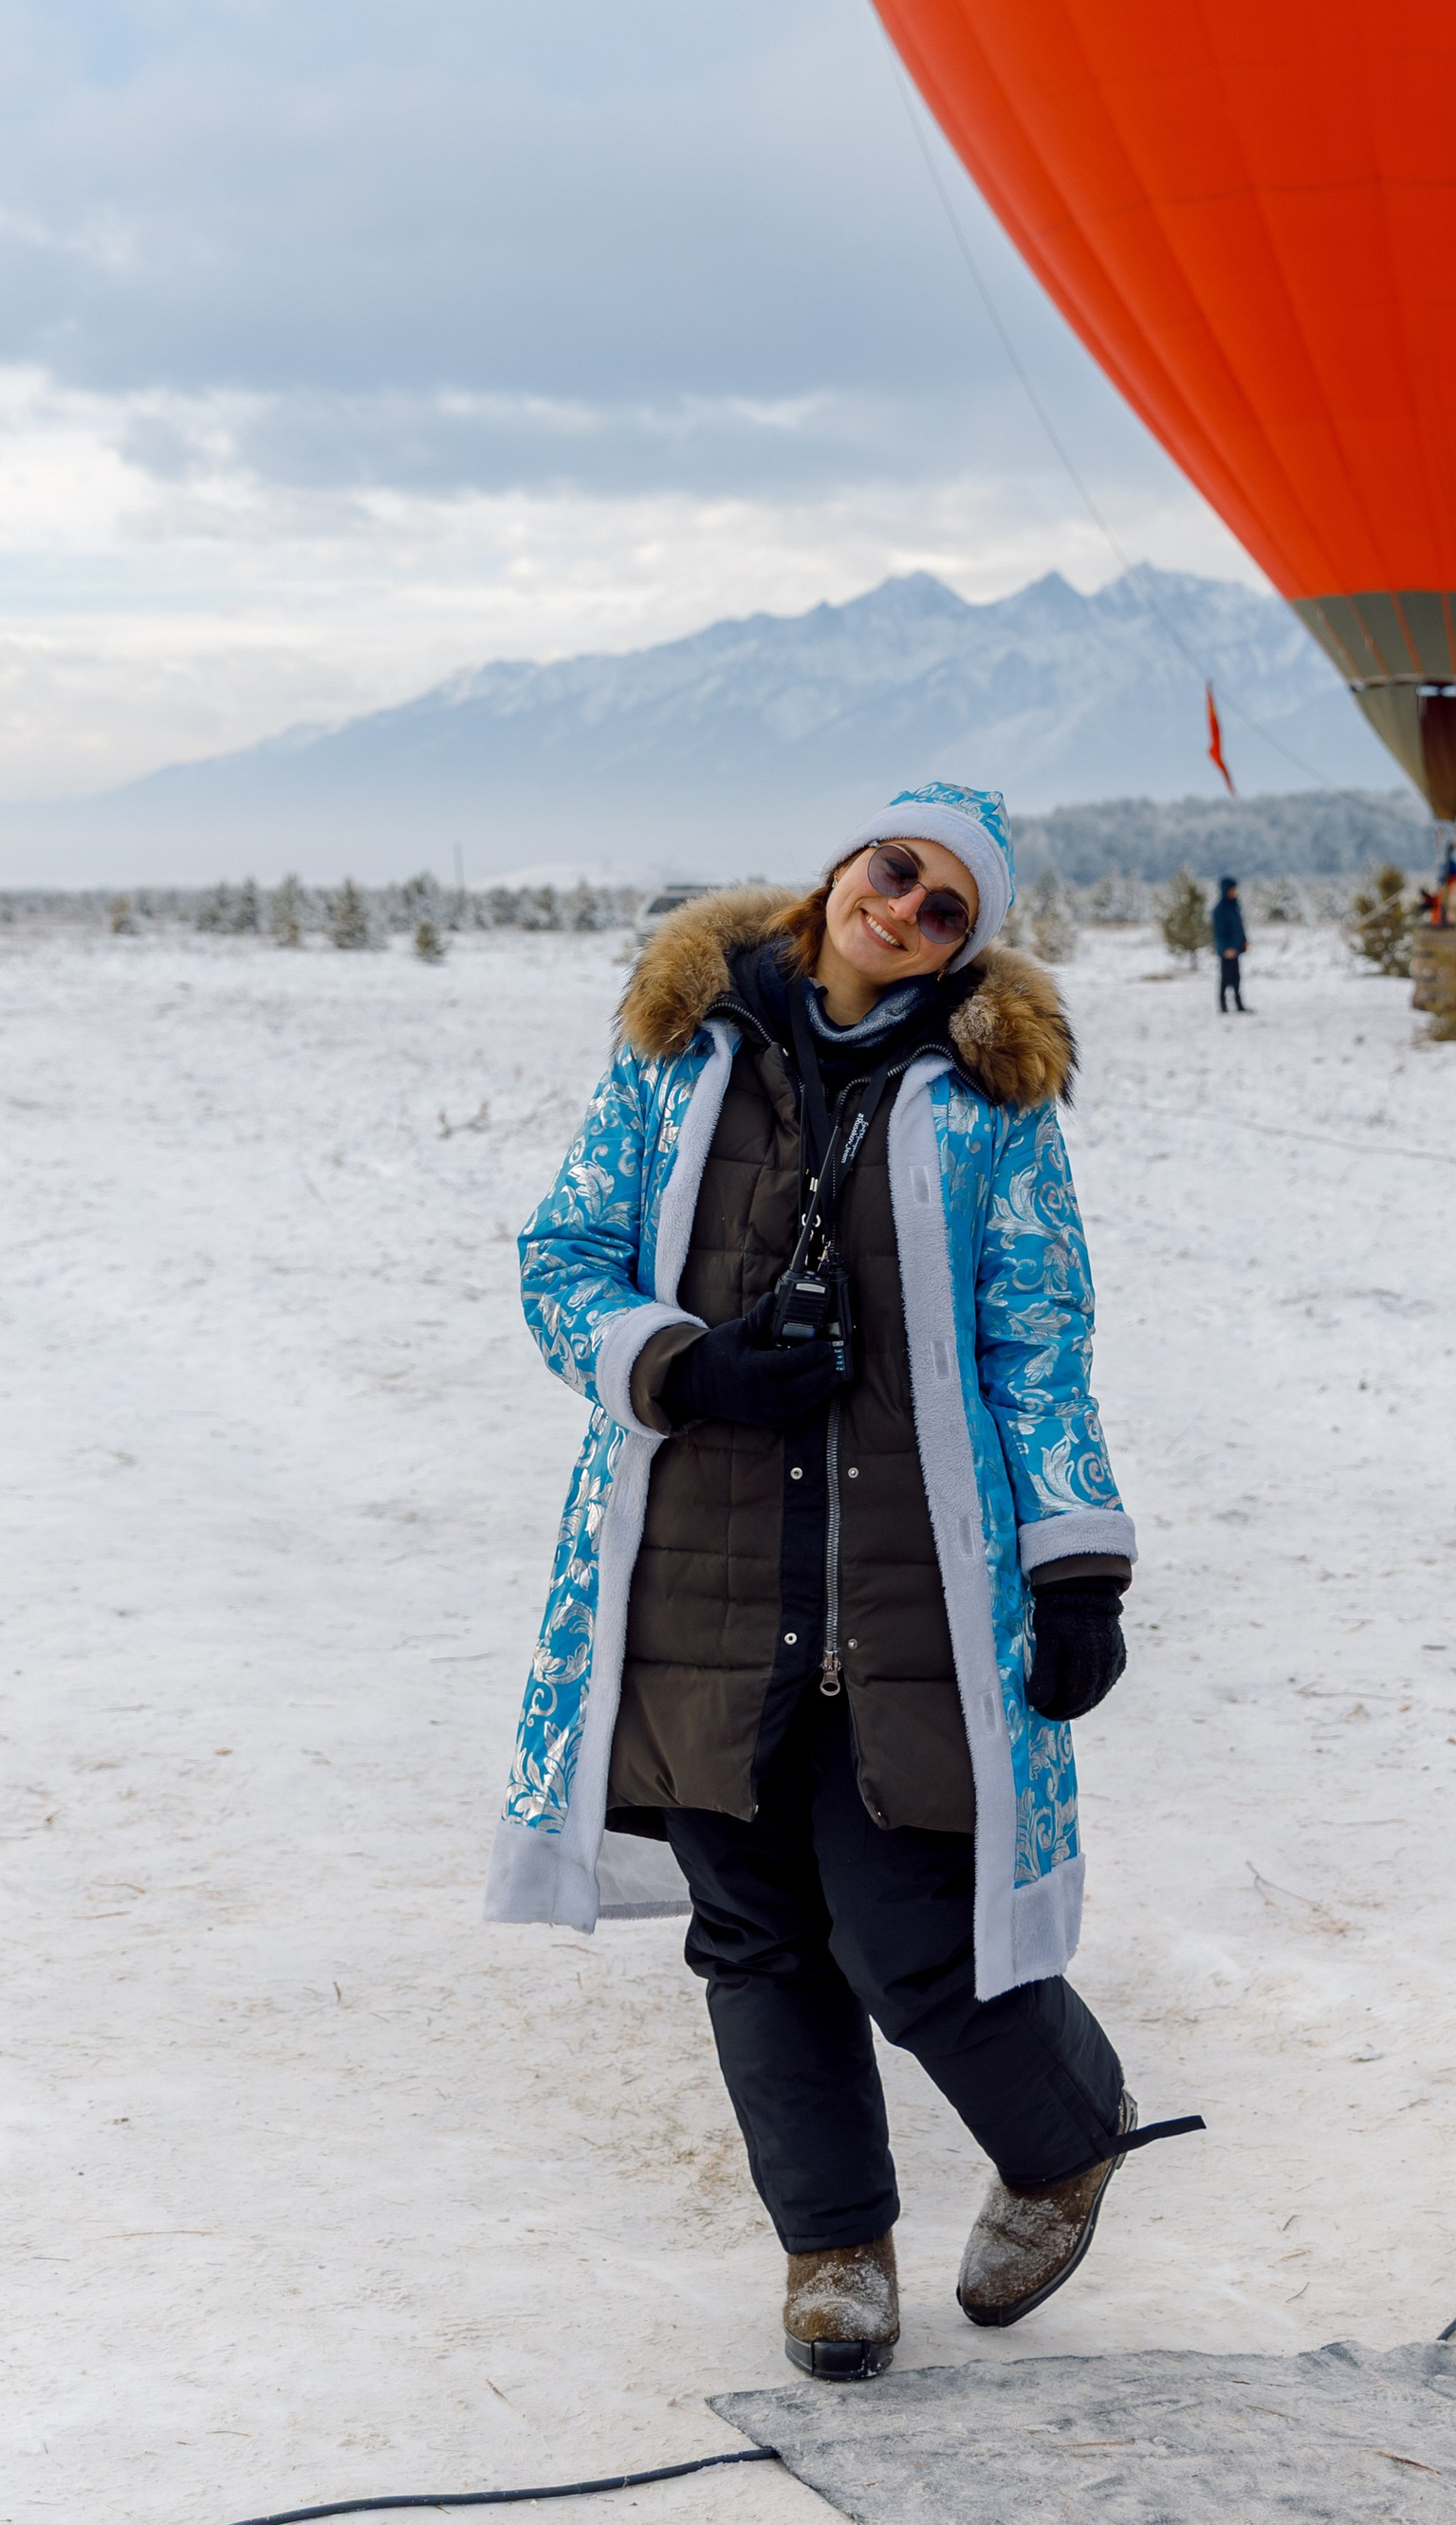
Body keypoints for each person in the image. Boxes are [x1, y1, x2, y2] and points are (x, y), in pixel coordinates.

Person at [488, 782, 1146, 2385]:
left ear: (963, 948)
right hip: (696, 1569)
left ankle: (1066, 2134)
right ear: (847, 855)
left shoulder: (992, 1100)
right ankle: (833, 2249)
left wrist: (1077, 1563)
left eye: (946, 911)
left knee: (907, 1923)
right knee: (754, 1927)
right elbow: (560, 1258)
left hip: (907, 1579)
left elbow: (1039, 1344)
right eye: (897, 868)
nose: (905, 909)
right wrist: (688, 1367)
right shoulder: (678, 1047)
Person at [1210, 873, 1250, 1011]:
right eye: (1232, 889)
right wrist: (1225, 948)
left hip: (1236, 948)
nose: (1235, 892)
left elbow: (1239, 927)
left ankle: (1238, 1004)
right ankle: (1223, 1004)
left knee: (1237, 977)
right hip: (1227, 951)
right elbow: (1218, 932)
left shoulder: (1234, 907)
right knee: (1226, 978)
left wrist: (1244, 941)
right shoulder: (1219, 910)